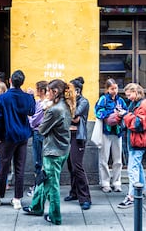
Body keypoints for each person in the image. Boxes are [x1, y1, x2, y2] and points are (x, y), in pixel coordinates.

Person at [22, 79, 76, 225]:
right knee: (44, 178)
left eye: (48, 91)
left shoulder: (54, 109)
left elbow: (42, 129)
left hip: (53, 151)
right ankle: (36, 206)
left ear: (55, 92)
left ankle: (55, 216)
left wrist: (45, 110)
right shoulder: (65, 105)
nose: (46, 94)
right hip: (61, 148)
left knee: (52, 184)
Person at [0, 70, 35, 210]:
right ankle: (17, 199)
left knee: (3, 167)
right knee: (20, 168)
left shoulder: (2, 98)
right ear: (22, 82)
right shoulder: (27, 97)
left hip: (7, 137)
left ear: (10, 81)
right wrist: (32, 97)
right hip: (23, 137)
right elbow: (31, 111)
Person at [117, 83, 146, 208]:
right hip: (136, 140)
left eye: (129, 95)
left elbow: (138, 124)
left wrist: (124, 115)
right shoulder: (136, 103)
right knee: (137, 167)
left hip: (139, 141)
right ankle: (140, 191)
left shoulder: (143, 105)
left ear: (136, 92)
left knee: (132, 169)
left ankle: (132, 196)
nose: (128, 98)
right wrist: (122, 115)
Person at [94, 78, 128, 193]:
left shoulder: (121, 100)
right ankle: (105, 183)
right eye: (112, 88)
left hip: (117, 132)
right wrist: (111, 113)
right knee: (104, 159)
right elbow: (97, 112)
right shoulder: (103, 99)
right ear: (107, 89)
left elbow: (127, 111)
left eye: (116, 88)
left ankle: (117, 182)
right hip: (106, 132)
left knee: (118, 160)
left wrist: (122, 113)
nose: (114, 91)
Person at [64, 77, 92, 210]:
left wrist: (71, 117)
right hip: (68, 135)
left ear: (78, 90)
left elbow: (74, 115)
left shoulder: (83, 101)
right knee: (71, 166)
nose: (67, 92)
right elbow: (70, 118)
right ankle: (74, 192)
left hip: (78, 137)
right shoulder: (70, 101)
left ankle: (85, 198)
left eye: (70, 89)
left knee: (77, 166)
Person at [27, 80, 49, 197]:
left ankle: (38, 187)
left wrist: (28, 118)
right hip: (43, 133)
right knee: (42, 161)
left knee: (38, 161)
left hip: (38, 133)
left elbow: (34, 120)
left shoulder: (42, 104)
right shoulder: (43, 102)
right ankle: (40, 186)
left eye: (37, 89)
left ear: (41, 90)